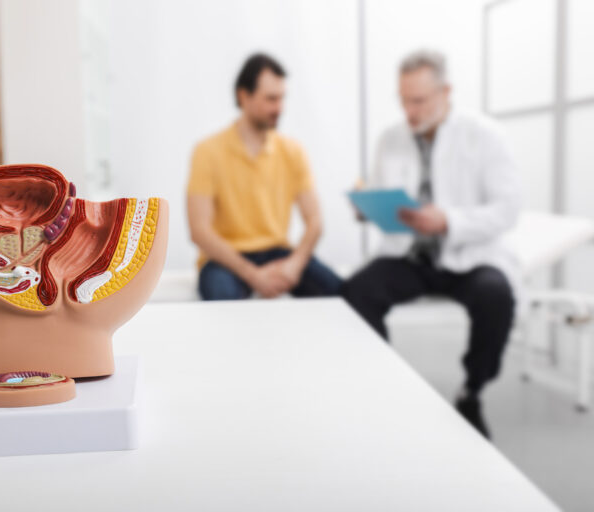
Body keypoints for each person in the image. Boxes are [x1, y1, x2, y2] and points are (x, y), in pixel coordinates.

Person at [342, 50, 521, 438]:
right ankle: (385, 384)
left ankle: (472, 390)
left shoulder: (485, 135)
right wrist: (366, 207)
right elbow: (383, 193)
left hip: (468, 256)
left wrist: (449, 221)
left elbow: (507, 210)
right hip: (410, 255)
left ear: (446, 92)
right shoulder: (390, 139)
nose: (410, 111)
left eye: (419, 100)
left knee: (496, 295)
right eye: (404, 100)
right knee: (357, 291)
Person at [187, 53, 342, 300]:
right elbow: (199, 230)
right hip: (225, 259)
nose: (279, 108)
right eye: (271, 99)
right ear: (243, 96)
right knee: (222, 297)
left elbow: (315, 220)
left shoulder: (293, 151)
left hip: (278, 253)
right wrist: (253, 275)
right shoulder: (207, 151)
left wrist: (295, 265)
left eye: (282, 98)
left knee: (341, 293)